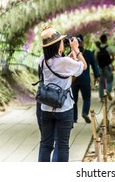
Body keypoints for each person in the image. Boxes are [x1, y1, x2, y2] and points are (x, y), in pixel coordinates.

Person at [38, 25, 87, 162]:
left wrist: (69, 58)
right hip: (64, 108)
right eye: (61, 41)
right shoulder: (65, 62)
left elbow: (57, 63)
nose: (62, 43)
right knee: (63, 145)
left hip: (46, 107)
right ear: (56, 46)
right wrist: (76, 50)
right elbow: (83, 66)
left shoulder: (42, 60)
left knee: (45, 144)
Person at [71, 34, 100, 124]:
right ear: (82, 42)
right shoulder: (88, 53)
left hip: (74, 79)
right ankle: (85, 112)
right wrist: (97, 76)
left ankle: (74, 118)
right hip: (85, 79)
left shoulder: (71, 52)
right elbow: (94, 66)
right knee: (86, 98)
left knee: (73, 99)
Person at [95, 34, 115, 102]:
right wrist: (109, 62)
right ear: (106, 40)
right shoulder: (109, 48)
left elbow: (95, 58)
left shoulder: (98, 48)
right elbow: (113, 56)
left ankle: (101, 98)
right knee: (109, 80)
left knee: (101, 83)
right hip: (107, 66)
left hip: (100, 67)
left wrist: (99, 64)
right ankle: (108, 90)